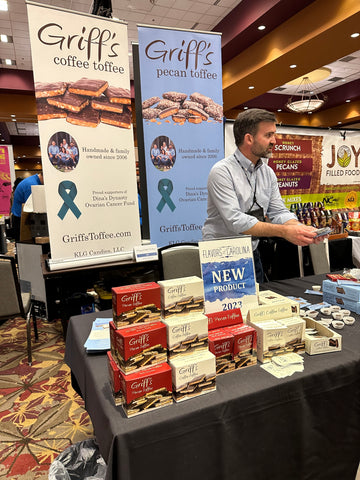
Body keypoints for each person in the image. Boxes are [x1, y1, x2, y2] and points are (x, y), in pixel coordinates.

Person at [202, 108, 326, 283]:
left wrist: (302, 230)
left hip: (251, 252)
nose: (275, 141)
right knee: (228, 309)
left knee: (257, 305)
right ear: (249, 139)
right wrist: (285, 231)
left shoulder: (267, 173)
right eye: (269, 135)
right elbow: (235, 220)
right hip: (221, 256)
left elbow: (279, 212)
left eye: (274, 134)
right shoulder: (222, 172)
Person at [11, 172, 43, 241]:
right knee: (24, 245)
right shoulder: (32, 185)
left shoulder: (35, 180)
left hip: (23, 216)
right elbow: (32, 207)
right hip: (21, 218)